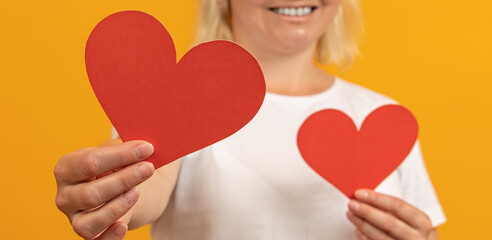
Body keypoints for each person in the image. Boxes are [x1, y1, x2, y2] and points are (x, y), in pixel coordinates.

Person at [54, 0, 446, 239]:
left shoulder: (384, 119)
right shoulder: (181, 96)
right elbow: (145, 186)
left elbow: (422, 230)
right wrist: (107, 191)